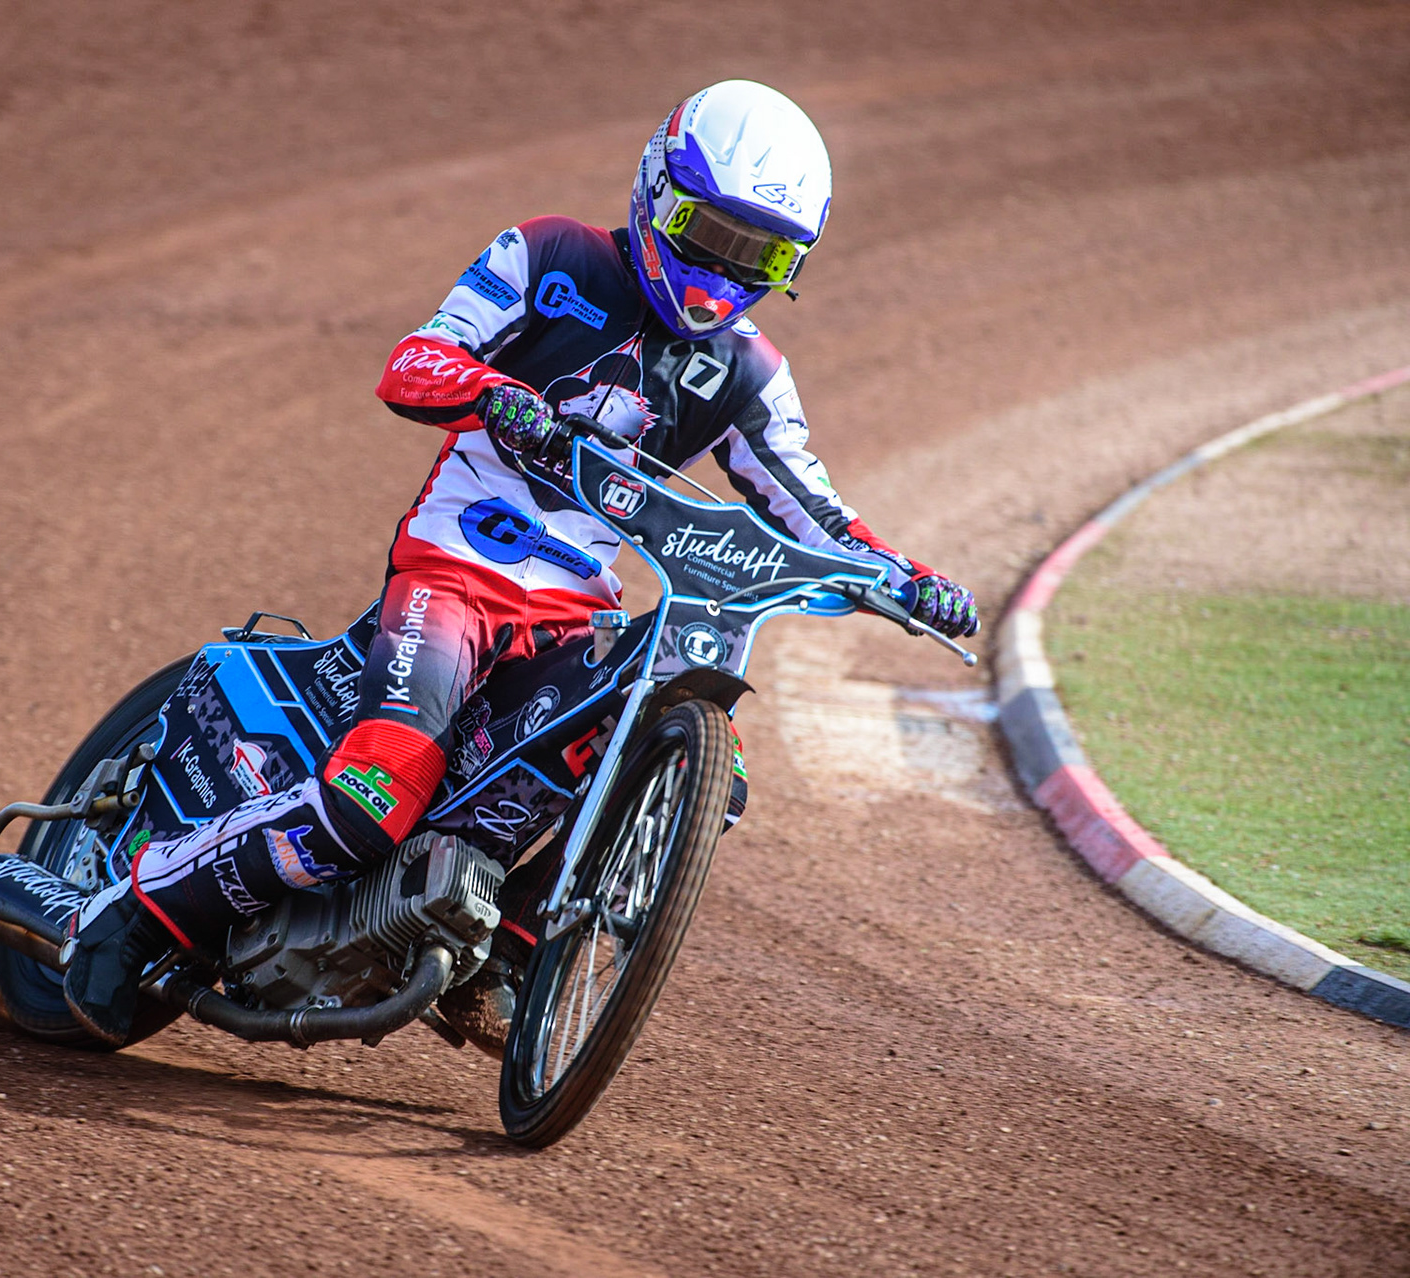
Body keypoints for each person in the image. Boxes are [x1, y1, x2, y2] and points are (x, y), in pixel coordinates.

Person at [62, 79, 979, 1048]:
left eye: (760, 255)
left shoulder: (753, 373)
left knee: (705, 772)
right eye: (709, 232)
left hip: (569, 615)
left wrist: (905, 576)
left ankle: (509, 950)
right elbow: (415, 360)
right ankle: (133, 913)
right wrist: (493, 392)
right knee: (377, 794)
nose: (721, 272)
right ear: (659, 191)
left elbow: (815, 507)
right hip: (452, 573)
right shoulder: (553, 252)